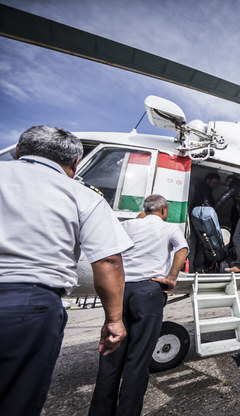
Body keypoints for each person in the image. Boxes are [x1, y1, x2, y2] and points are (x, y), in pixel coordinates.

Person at [0, 125, 132, 416]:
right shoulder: (82, 195)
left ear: (19, 152)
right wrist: (114, 319)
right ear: (75, 165)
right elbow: (109, 261)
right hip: (28, 306)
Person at [89, 194, 189, 416]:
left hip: (120, 291)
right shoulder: (170, 228)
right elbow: (182, 249)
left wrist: (142, 215)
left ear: (145, 210)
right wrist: (172, 278)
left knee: (110, 357)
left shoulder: (128, 225)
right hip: (148, 292)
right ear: (164, 209)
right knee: (138, 360)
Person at [214, 175, 240, 273]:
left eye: (227, 183)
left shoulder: (235, 185)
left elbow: (223, 198)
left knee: (237, 238)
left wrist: (213, 209)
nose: (227, 185)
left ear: (230, 180)